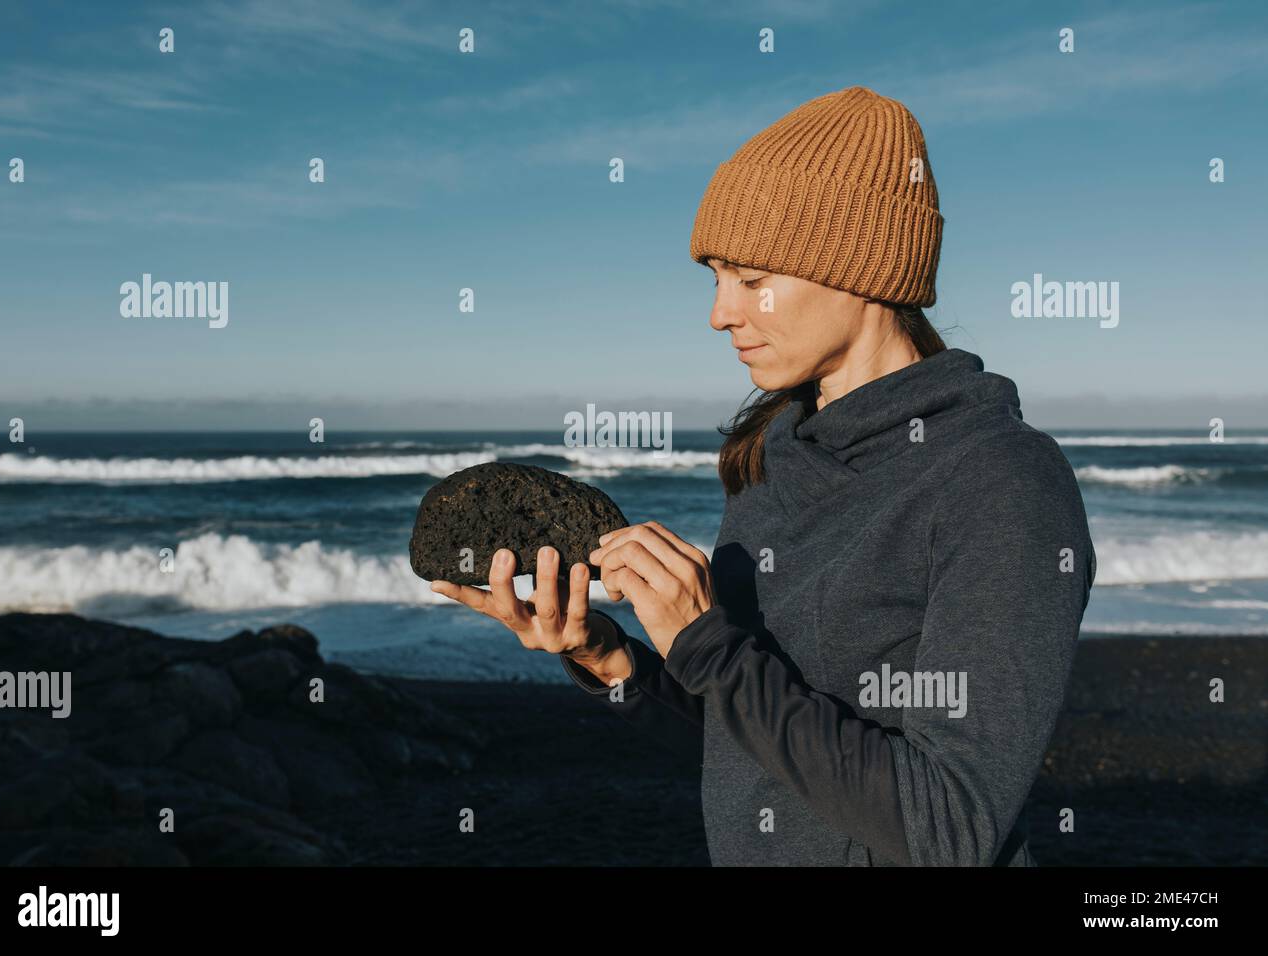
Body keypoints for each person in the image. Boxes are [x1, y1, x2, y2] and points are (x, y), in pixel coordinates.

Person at [430, 85, 1096, 866]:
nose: (719, 313)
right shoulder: (772, 459)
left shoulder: (1001, 482)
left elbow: (947, 829)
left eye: (750, 279)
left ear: (862, 269)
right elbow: (750, 753)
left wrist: (709, 644)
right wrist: (607, 654)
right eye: (714, 277)